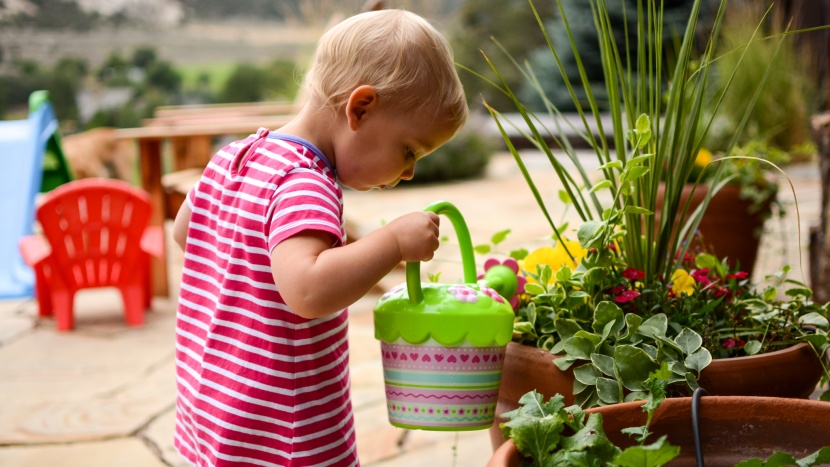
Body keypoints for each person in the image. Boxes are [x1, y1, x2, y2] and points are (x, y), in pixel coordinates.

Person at [170, 9, 467, 467]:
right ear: (361, 107)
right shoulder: (306, 183)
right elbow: (309, 290)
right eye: (409, 150)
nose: (409, 173)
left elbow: (186, 231)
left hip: (213, 409)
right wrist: (392, 242)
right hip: (283, 431)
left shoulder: (235, 157)